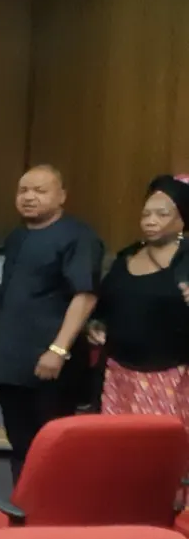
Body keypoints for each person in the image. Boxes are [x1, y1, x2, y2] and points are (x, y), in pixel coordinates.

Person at [0, 165, 102, 482]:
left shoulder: (78, 236)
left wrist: (58, 349)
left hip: (53, 361)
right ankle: (22, 512)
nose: (29, 197)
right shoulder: (17, 236)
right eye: (23, 190)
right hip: (14, 361)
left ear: (62, 196)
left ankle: (53, 520)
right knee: (20, 443)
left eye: (40, 191)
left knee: (53, 445)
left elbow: (86, 296)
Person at [88, 175, 189, 434]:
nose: (151, 221)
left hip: (173, 375)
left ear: (182, 219)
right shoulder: (126, 256)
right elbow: (105, 305)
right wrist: (96, 324)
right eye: (146, 214)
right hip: (119, 374)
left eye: (162, 214)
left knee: (162, 452)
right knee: (120, 447)